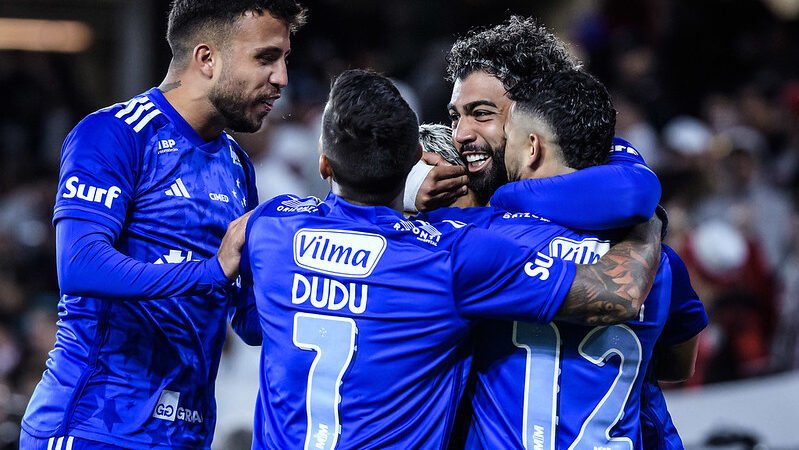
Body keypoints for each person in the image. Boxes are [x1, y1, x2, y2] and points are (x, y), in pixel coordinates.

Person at [238, 69, 663, 449]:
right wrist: (650, 225)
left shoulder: (271, 227)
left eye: (482, 114)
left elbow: (251, 321)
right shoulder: (454, 255)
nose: (462, 133)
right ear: (415, 164)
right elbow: (625, 295)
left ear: (324, 162)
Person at [20, 1, 306, 449]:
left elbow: (249, 323)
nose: (282, 78)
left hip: (185, 434)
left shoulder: (236, 165)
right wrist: (213, 270)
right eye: (266, 58)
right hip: (94, 427)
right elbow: (79, 265)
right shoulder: (116, 133)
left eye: (285, 59)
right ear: (207, 58)